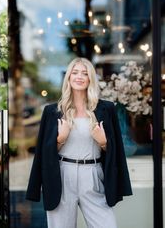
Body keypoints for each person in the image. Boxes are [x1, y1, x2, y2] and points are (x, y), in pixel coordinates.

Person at [26, 57, 132, 228]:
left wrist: (104, 143)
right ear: (68, 77)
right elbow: (42, 153)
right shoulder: (52, 111)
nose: (79, 77)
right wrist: (60, 139)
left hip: (93, 174)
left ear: (91, 78)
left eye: (85, 73)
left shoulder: (106, 108)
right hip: (62, 175)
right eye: (75, 73)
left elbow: (117, 149)